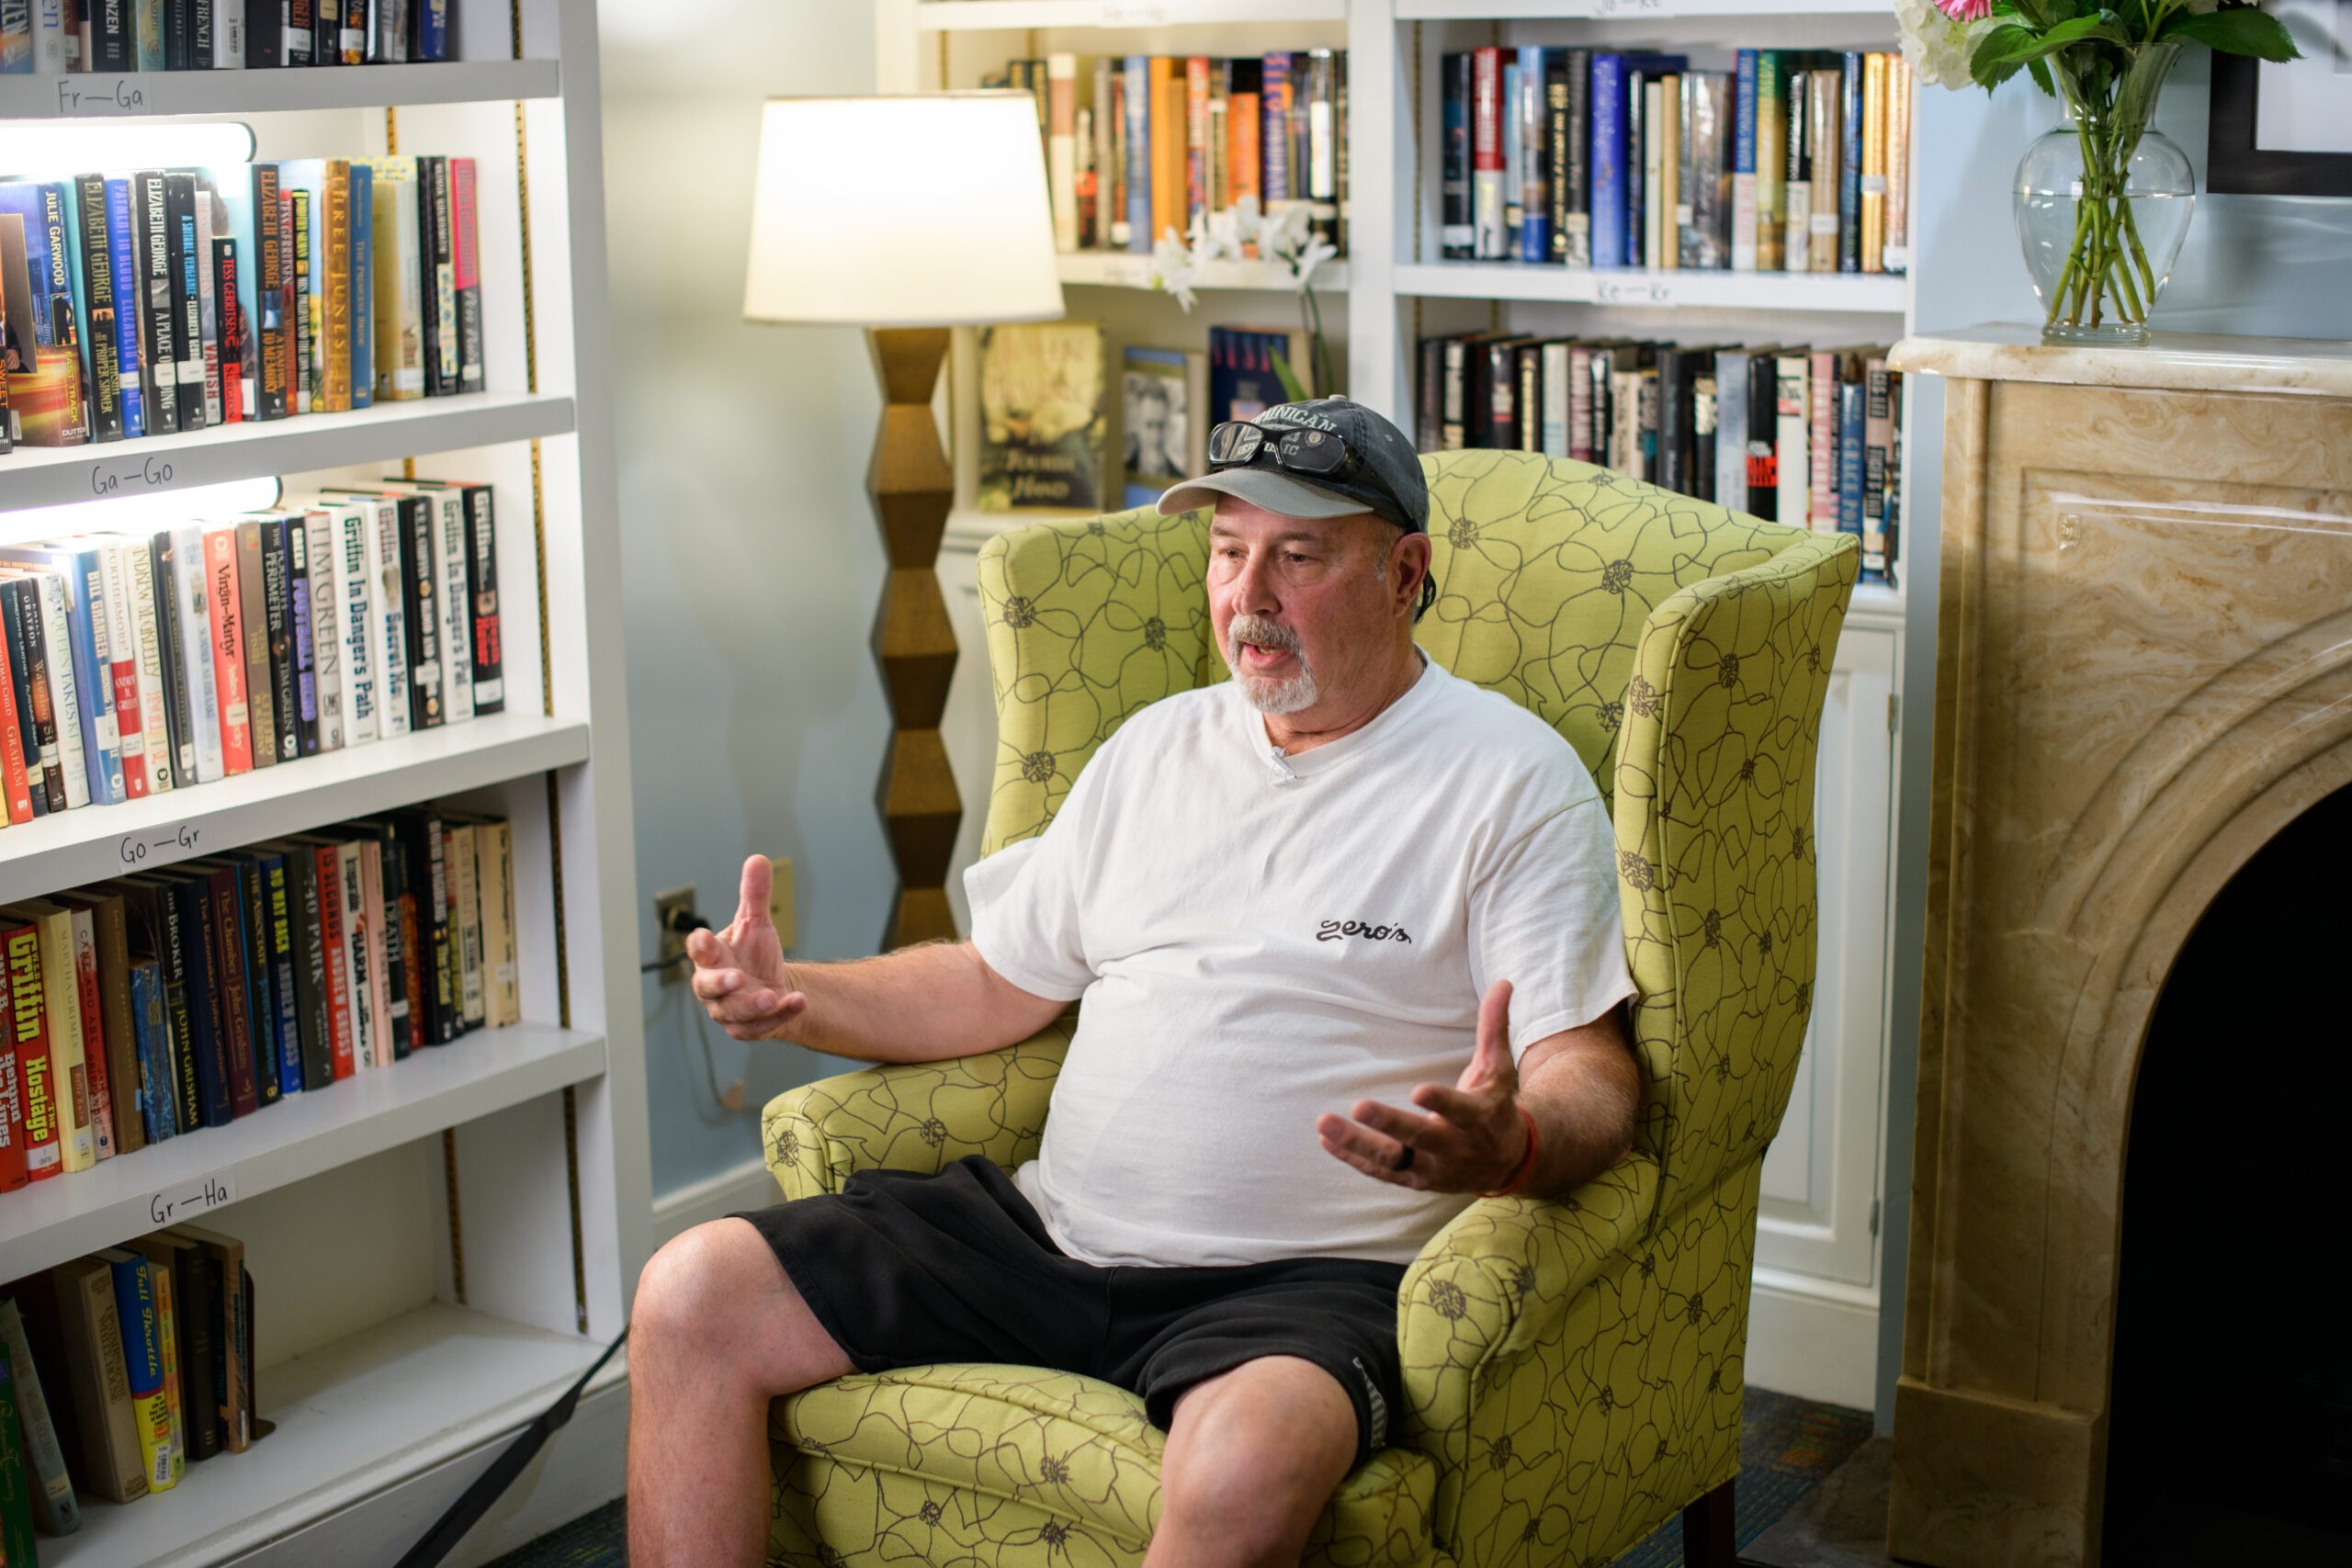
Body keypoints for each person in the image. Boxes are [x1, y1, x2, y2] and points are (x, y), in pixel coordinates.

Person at [629, 397, 1643, 1568]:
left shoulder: (1509, 781)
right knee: (691, 1291)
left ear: (1403, 571)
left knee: (1247, 1461)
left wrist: (1509, 1146)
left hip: (1298, 1294)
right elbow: (993, 984)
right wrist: (796, 995)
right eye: (1226, 552)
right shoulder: (1153, 749)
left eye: (1297, 556)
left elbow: (1592, 1072)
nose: (1247, 597)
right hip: (1045, 1237)